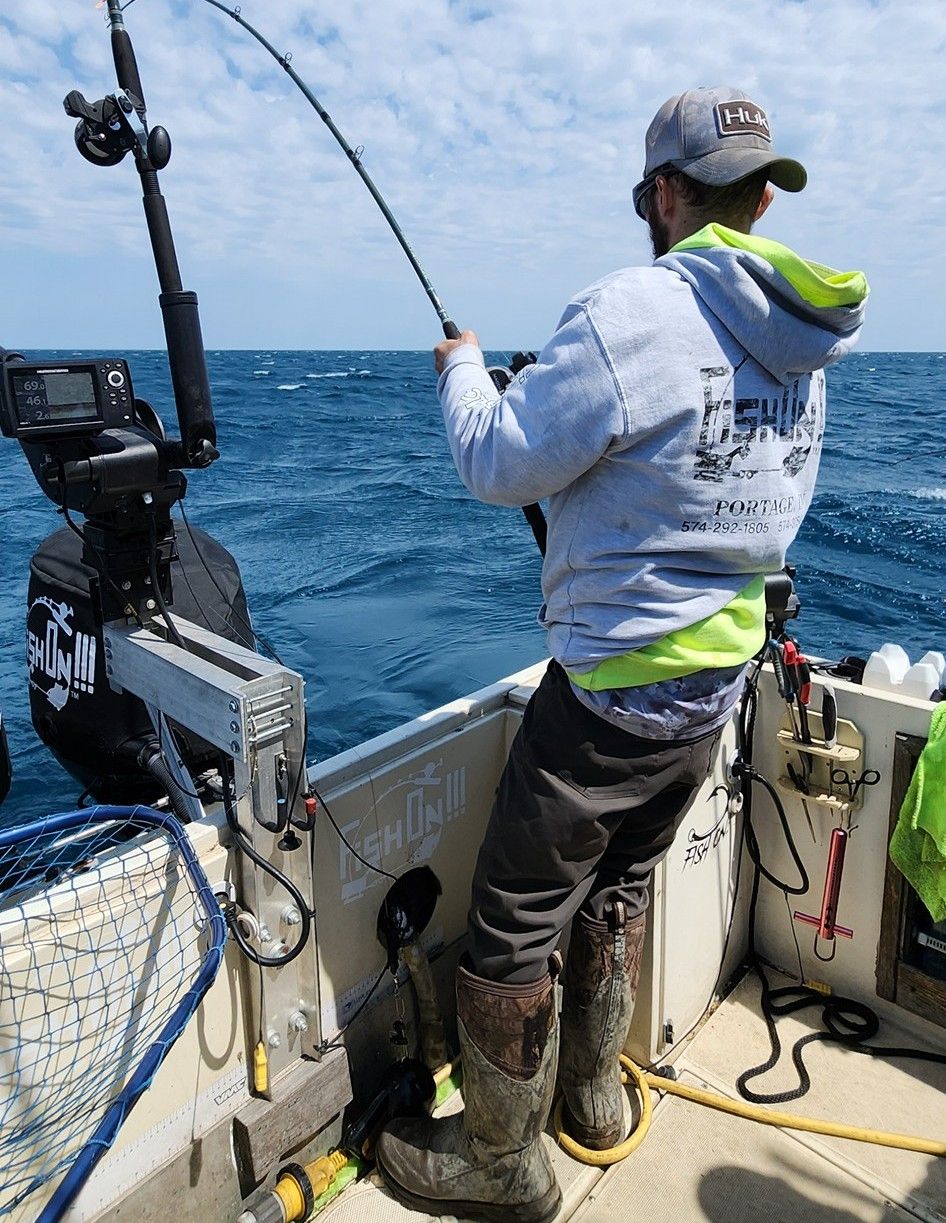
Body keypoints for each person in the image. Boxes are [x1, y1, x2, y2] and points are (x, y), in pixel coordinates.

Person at [376, 85, 868, 1223]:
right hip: (714, 693)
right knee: (623, 884)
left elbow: (498, 462)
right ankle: (593, 1098)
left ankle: (502, 1163)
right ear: (758, 198)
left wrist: (462, 369)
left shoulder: (629, 311)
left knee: (513, 920)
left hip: (606, 705)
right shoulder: (804, 331)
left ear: (661, 194)